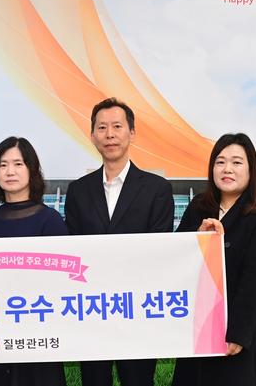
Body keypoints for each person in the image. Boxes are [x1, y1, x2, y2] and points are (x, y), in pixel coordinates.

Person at [64, 97, 174, 386]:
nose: (109, 134)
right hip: (91, 310)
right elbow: (72, 250)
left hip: (138, 311)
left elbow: (160, 251)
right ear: (92, 135)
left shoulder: (157, 189)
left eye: (117, 126)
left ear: (132, 133)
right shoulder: (78, 191)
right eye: (102, 127)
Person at [171, 133, 256, 386]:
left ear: (251, 169)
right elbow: (177, 258)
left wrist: (238, 334)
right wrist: (198, 238)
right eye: (220, 162)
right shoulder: (198, 206)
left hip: (241, 332)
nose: (227, 169)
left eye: (236, 162)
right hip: (199, 326)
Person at [0, 136, 68, 386]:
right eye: (2, 165)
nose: (9, 171)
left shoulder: (51, 220)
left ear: (31, 170)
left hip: (37, 330)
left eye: (18, 164)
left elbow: (61, 282)